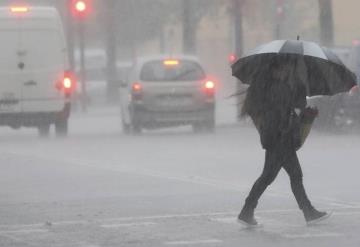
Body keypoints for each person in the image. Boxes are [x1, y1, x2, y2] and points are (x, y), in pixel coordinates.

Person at [238, 62, 330, 227]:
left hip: (278, 138)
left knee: (269, 177)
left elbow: (290, 111)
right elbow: (290, 109)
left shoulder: (274, 87)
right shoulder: (278, 88)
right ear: (275, 70)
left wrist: (304, 113)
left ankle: (247, 210)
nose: (287, 70)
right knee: (292, 176)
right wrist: (299, 94)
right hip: (280, 139)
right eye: (284, 67)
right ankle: (308, 212)